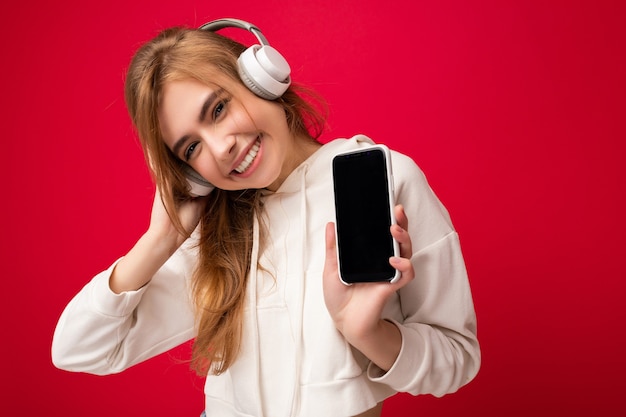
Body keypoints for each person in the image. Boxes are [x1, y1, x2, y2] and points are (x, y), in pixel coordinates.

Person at [52, 18, 480, 417]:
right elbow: (78, 349)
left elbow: (457, 357)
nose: (220, 149)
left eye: (218, 109)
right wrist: (159, 239)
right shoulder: (215, 240)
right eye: (191, 149)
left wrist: (368, 333)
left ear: (262, 78)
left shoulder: (384, 181)